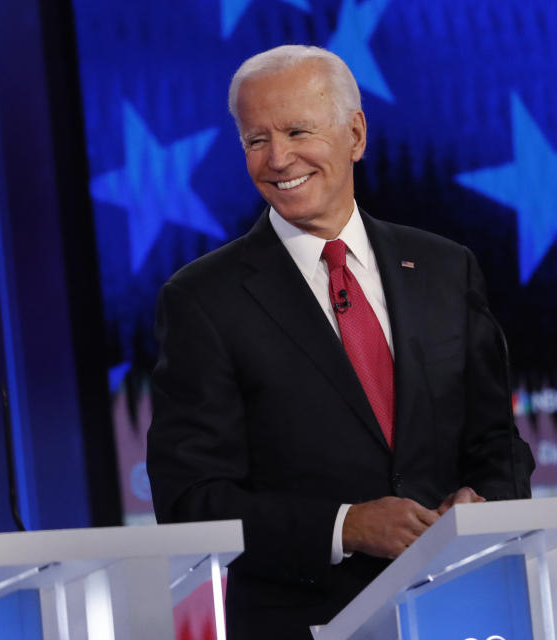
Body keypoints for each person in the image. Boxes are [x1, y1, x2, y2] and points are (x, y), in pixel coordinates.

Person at [146, 45, 535, 637]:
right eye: (256, 140)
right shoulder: (203, 299)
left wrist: (483, 505)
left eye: (298, 130)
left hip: (463, 614)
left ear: (355, 134)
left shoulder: (443, 268)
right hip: (303, 621)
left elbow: (498, 446)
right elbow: (190, 502)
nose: (278, 159)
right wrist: (344, 526)